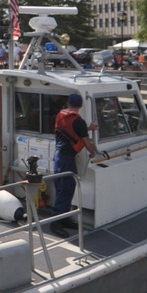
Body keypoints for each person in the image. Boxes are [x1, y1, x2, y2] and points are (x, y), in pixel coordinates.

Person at [52, 91, 97, 221]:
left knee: (65, 188)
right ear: (81, 106)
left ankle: (64, 219)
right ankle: (56, 223)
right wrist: (93, 153)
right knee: (66, 189)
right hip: (66, 159)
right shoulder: (79, 122)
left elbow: (69, 130)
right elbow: (87, 142)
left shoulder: (60, 115)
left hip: (59, 157)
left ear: (67, 104)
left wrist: (88, 128)